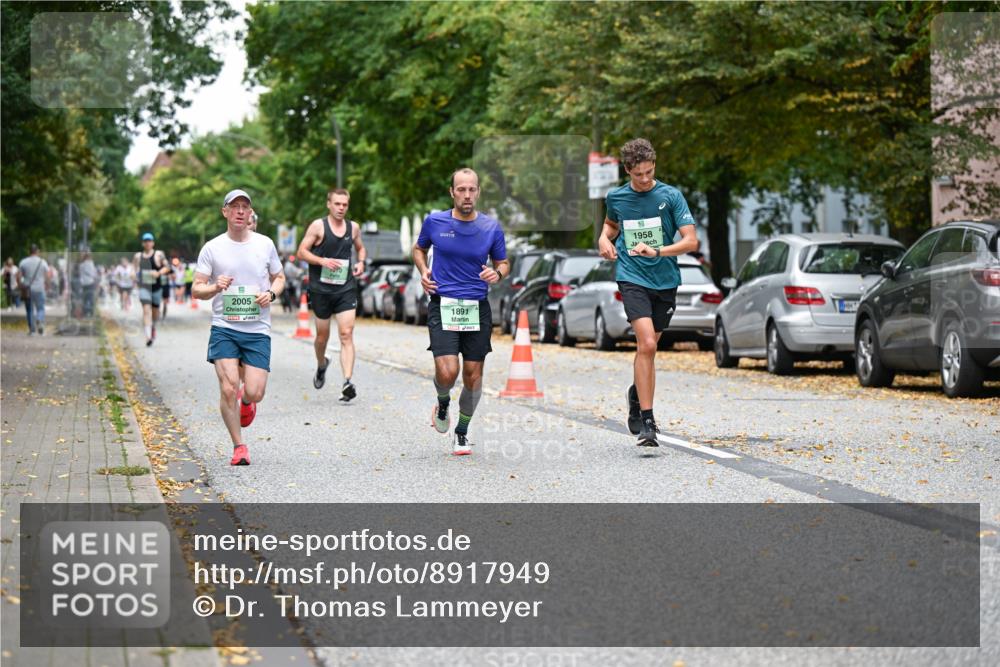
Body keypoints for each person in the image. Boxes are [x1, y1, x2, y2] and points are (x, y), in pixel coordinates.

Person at [597, 138, 698, 447]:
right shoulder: (617, 196)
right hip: (632, 277)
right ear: (628, 170)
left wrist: (658, 251)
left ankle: (635, 393)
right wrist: (604, 239)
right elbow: (611, 226)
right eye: (639, 174)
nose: (644, 179)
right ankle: (648, 422)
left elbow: (691, 242)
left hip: (665, 280)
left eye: (649, 172)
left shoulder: (671, 196)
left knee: (648, 350)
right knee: (648, 344)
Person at [413, 168, 508, 456]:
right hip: (443, 305)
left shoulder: (491, 228)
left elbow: (503, 263)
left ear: (478, 192)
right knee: (448, 371)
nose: (467, 195)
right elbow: (418, 249)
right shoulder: (435, 221)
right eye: (461, 189)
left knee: (472, 375)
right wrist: (423, 270)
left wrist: (497, 274)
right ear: (452, 192)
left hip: (476, 307)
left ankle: (463, 431)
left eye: (472, 189)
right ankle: (443, 402)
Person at [192, 189, 284, 466]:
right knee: (229, 387)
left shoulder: (265, 244)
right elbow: (196, 289)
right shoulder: (212, 247)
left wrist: (272, 294)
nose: (241, 211)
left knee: (254, 391)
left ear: (250, 213)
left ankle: (248, 402)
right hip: (224, 327)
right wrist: (214, 287)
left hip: (257, 329)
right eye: (235, 207)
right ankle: (239, 446)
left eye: (245, 207)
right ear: (225, 212)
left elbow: (279, 277)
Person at [297, 188, 367, 400]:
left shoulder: (353, 227)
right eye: (337, 204)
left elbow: (360, 249)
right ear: (329, 204)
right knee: (322, 337)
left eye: (344, 205)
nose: (341, 208)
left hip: (345, 288)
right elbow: (301, 252)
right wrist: (322, 261)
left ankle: (347, 381)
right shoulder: (318, 226)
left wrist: (361, 261)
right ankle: (321, 364)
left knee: (346, 334)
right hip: (321, 290)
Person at [133, 233, 170, 345]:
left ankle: (153, 327)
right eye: (145, 241)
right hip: (144, 288)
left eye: (149, 241)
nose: (148, 243)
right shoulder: (138, 256)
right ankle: (148, 336)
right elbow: (134, 270)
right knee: (146, 310)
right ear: (142, 243)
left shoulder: (159, 255)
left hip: (157, 288)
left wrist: (158, 273)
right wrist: (133, 275)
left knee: (155, 313)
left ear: (153, 243)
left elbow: (167, 267)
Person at [18, 245, 50, 335]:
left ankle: (32, 330)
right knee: (40, 308)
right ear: (37, 251)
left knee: (29, 310)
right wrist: (48, 285)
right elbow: (47, 275)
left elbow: (18, 276)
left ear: (29, 251)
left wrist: (20, 285)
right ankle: (39, 319)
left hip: (28, 289)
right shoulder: (42, 262)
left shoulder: (23, 262)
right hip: (40, 288)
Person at [78, 251, 98, 317]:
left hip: (83, 283)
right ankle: (90, 312)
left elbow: (80, 274)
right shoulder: (91, 263)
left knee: (85, 298)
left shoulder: (81, 265)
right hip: (90, 282)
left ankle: (85, 312)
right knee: (91, 298)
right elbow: (93, 273)